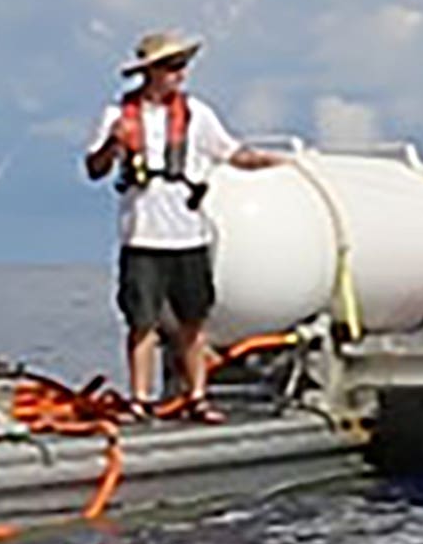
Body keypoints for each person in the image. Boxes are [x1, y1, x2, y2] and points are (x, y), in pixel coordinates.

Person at [82, 33, 282, 420]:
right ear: (150, 72)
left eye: (181, 66)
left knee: (193, 322)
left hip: (189, 235)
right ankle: (139, 399)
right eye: (171, 67)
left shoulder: (198, 115)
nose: (179, 74)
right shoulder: (116, 115)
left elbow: (231, 152)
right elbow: (94, 168)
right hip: (141, 236)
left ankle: (197, 397)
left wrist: (269, 163)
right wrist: (113, 144)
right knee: (142, 323)